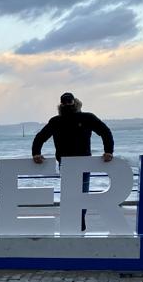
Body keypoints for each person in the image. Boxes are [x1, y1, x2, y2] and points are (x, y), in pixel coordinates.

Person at [32, 92, 114, 231]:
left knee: (81, 195)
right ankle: (76, 224)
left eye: (69, 101)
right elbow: (40, 137)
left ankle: (79, 224)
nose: (67, 104)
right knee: (72, 196)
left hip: (83, 163)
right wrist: (36, 153)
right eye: (65, 102)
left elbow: (105, 132)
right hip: (66, 163)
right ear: (62, 104)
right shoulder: (56, 121)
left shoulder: (86, 117)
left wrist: (109, 151)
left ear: (74, 102)